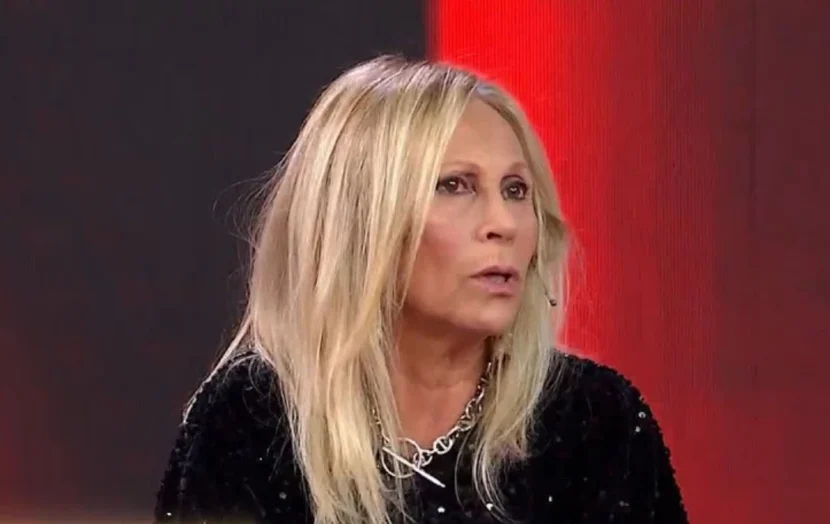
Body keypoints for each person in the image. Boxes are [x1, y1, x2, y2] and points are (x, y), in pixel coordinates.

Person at [154, 55, 688, 524]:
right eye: (455, 185)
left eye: (515, 189)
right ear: (360, 220)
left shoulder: (595, 421)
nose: (503, 223)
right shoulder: (250, 419)